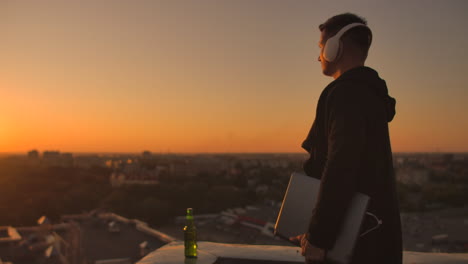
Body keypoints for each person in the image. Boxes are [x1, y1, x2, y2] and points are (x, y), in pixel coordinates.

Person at [289, 13, 402, 264]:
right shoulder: (370, 94)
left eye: (321, 47)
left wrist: (319, 237)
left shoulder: (345, 94)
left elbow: (341, 166)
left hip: (352, 245)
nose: (318, 56)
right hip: (375, 235)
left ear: (334, 47)